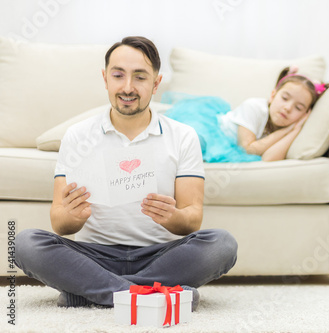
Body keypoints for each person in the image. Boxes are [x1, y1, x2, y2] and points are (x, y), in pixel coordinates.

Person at [14, 36, 238, 309]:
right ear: (105, 78)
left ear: (156, 83)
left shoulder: (182, 136)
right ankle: (150, 296)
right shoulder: (77, 136)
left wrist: (173, 216)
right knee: (25, 243)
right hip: (94, 255)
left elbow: (192, 220)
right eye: (118, 75)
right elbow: (59, 224)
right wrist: (73, 216)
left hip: (159, 255)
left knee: (222, 244)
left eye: (140, 77)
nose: (128, 87)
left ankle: (92, 292)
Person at [166, 66, 329, 163]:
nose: (288, 108)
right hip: (212, 129)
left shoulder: (291, 125)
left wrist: (295, 130)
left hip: (228, 145)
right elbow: (248, 149)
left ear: (305, 115)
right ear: (273, 95)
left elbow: (268, 159)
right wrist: (286, 131)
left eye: (298, 108)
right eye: (285, 98)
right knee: (191, 141)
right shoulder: (254, 107)